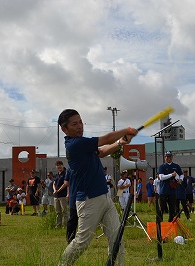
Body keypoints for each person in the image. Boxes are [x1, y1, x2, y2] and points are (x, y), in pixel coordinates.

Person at [58, 108, 136, 265]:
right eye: (74, 124)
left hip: (104, 197)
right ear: (64, 129)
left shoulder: (83, 143)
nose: (80, 126)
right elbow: (106, 139)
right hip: (89, 201)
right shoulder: (75, 144)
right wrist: (126, 130)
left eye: (81, 122)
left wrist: (120, 142)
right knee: (82, 242)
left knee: (117, 239)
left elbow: (101, 151)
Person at [158, 151, 183, 222]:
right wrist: (171, 175)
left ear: (172, 157)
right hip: (163, 190)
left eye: (169, 156)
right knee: (161, 208)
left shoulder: (176, 166)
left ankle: (170, 222)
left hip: (172, 190)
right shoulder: (162, 166)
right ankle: (160, 222)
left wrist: (181, 179)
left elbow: (181, 174)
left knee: (172, 208)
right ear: (165, 157)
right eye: (166, 156)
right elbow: (161, 177)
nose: (168, 158)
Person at [53, 160, 68, 228]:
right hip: (56, 196)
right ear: (56, 167)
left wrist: (58, 190)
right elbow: (54, 183)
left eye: (60, 165)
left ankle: (65, 225)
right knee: (58, 212)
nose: (59, 166)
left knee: (64, 211)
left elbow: (65, 184)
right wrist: (54, 190)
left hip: (63, 195)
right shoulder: (56, 175)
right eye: (57, 165)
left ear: (62, 165)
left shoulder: (65, 174)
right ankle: (58, 225)